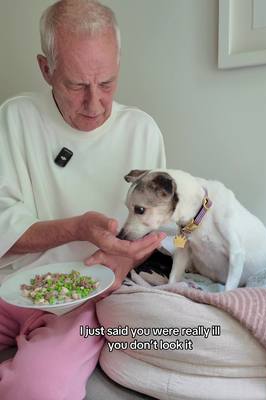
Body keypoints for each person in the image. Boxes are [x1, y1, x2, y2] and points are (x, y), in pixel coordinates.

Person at [0, 1, 166, 399]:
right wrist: (75, 228)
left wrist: (127, 257)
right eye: (76, 86)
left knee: (39, 388)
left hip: (85, 299)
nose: (94, 104)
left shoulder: (141, 131)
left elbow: (157, 232)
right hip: (9, 285)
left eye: (107, 83)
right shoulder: (16, 118)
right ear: (46, 69)